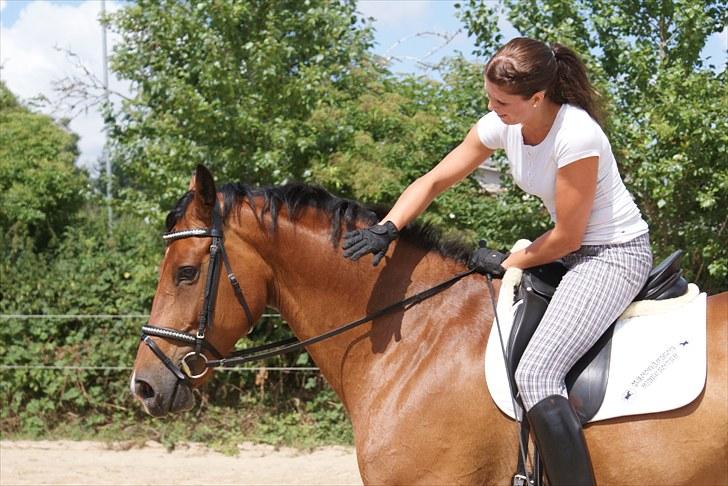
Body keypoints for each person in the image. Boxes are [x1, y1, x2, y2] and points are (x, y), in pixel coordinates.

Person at [342, 37, 653, 485]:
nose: (492, 107)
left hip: (611, 255)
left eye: (501, 101)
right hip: (563, 251)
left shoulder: (577, 135)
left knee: (538, 372)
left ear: (538, 98)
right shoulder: (505, 123)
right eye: (489, 97)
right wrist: (388, 227)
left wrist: (511, 261)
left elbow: (569, 236)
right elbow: (434, 180)